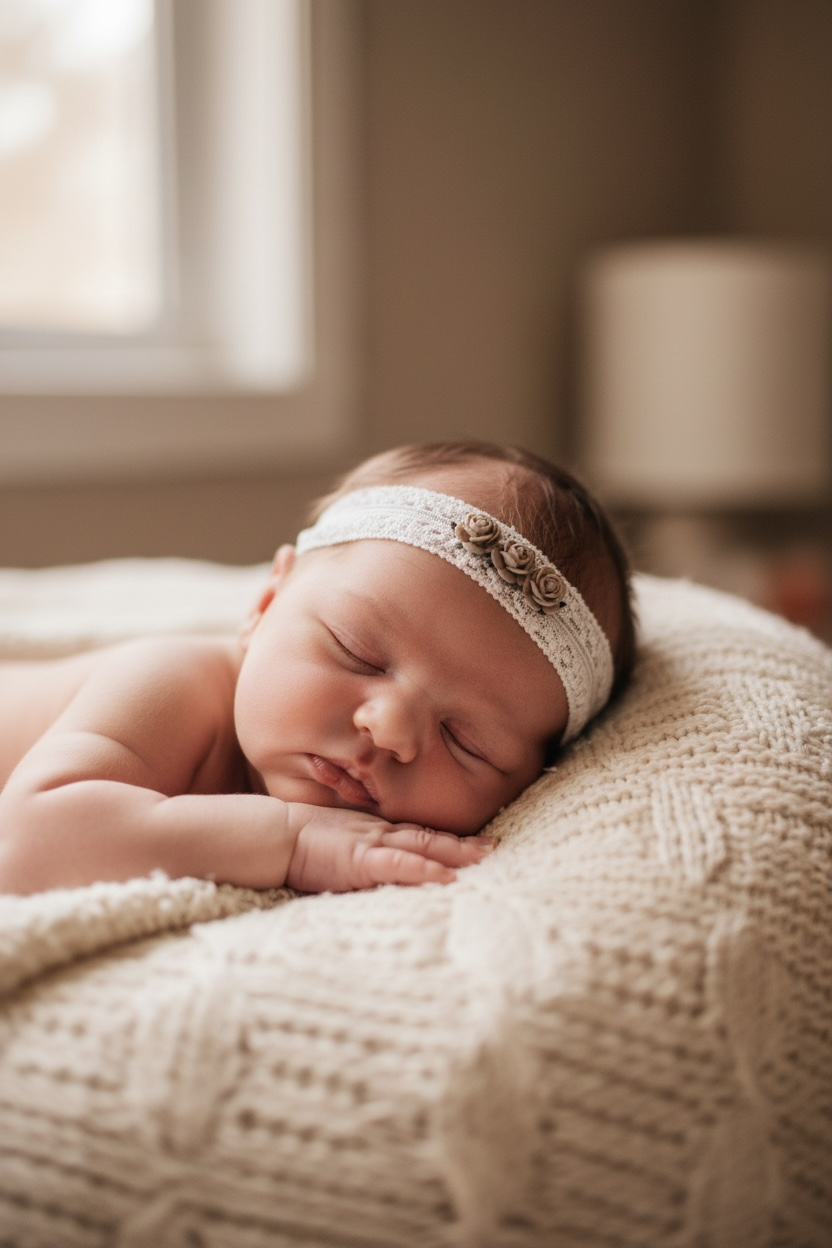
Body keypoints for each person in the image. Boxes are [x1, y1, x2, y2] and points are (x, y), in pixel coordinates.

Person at [0, 441, 634, 896]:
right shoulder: (169, 683)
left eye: (466, 740)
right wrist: (292, 841)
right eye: (355, 650)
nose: (388, 729)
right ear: (267, 602)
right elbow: (27, 839)